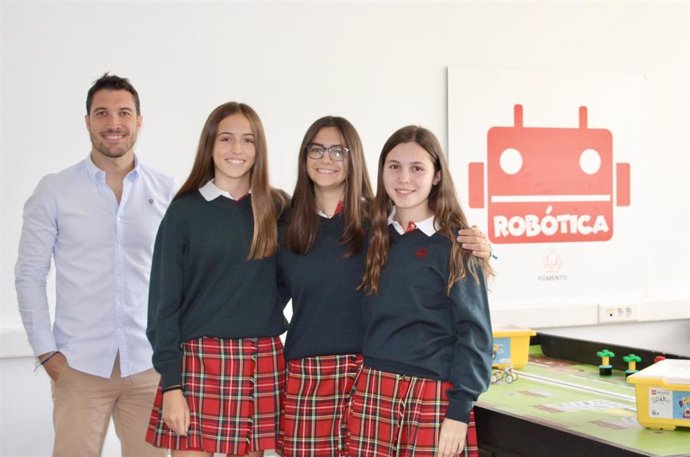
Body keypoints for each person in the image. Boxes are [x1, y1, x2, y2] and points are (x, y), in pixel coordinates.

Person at [277, 117, 492, 457]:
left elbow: (473, 328)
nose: (404, 178)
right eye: (316, 150)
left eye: (338, 150)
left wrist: (482, 247)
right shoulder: (367, 230)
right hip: (350, 379)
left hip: (391, 377)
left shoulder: (386, 228)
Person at [15, 73, 174, 457]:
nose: (113, 123)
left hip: (148, 366)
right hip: (78, 367)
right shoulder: (54, 190)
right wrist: (47, 354)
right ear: (88, 121)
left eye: (124, 113)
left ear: (139, 121)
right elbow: (29, 276)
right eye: (102, 113)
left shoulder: (167, 191)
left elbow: (180, 279)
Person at [145, 101, 289, 457]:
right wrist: (172, 386)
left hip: (260, 358)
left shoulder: (278, 208)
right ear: (210, 145)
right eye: (226, 139)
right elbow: (162, 305)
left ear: (260, 149)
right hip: (196, 365)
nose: (236, 149)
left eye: (248, 140)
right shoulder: (184, 211)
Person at [349, 125, 494, 457]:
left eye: (417, 168)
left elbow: (475, 334)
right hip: (373, 386)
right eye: (394, 166)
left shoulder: (458, 245)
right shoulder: (372, 235)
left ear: (437, 176)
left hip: (433, 394)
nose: (404, 178)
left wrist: (459, 409)